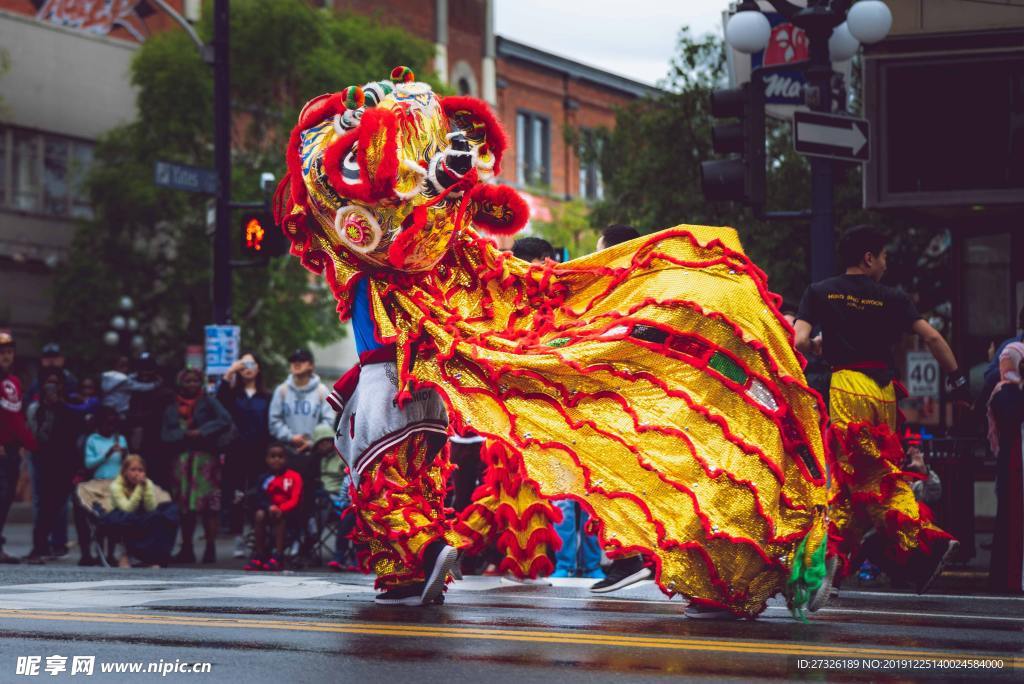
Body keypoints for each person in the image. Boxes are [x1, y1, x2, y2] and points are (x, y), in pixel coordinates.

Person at [275, 70, 832, 619]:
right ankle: (415, 566)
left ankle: (417, 558)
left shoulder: (390, 263)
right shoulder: (432, 260)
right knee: (408, 475)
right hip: (429, 388)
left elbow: (336, 231)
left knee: (383, 477)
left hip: (390, 382)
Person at [794, 225, 964, 594]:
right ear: (868, 258)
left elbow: (800, 339)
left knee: (856, 475)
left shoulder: (819, 292)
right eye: (884, 257)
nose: (886, 265)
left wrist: (818, 350)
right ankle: (839, 563)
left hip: (848, 387)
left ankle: (920, 543)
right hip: (884, 394)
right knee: (871, 473)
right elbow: (933, 337)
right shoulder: (894, 298)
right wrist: (958, 382)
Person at [161, 368, 232, 564]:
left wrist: (201, 432)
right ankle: (186, 548)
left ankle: (210, 548)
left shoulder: (209, 401)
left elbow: (224, 420)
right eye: (188, 381)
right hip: (182, 461)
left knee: (209, 506)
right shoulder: (172, 406)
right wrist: (183, 435)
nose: (192, 385)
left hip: (205, 460)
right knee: (184, 507)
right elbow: (165, 433)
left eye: (195, 381)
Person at [217, 352, 271, 557]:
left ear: (258, 368)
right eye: (244, 364)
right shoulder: (233, 395)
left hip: (260, 452)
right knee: (237, 495)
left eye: (252, 363)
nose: (248, 367)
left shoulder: (266, 396)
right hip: (236, 451)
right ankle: (239, 537)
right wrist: (230, 371)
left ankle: (256, 537)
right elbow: (219, 400)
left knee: (258, 494)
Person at [25, 372, 83, 564]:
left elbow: (75, 436)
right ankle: (39, 547)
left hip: (66, 465)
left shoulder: (68, 408)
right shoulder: (39, 410)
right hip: (46, 463)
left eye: (55, 384)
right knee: (45, 507)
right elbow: (37, 436)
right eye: (48, 384)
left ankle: (55, 545)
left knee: (57, 507)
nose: (52, 388)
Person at [987, 342, 1024, 593]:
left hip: (1010, 461)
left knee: (1009, 516)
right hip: (1015, 460)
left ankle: (1005, 578)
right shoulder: (1010, 394)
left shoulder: (1000, 393)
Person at [0, 332, 37, 564]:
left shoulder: (13, 381)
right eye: (2, 352)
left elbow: (17, 417)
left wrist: (28, 445)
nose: (6, 356)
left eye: (9, 352)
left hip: (13, 449)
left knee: (6, 497)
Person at [76, 405, 128, 565]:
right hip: (98, 484)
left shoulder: (121, 439)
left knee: (113, 520)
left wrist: (125, 454)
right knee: (99, 519)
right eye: (107, 424)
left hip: (116, 484)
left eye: (113, 424)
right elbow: (89, 463)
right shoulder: (92, 439)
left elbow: (129, 463)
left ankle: (110, 553)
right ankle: (93, 553)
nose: (110, 428)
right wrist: (107, 454)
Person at [107, 455, 178, 568]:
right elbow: (127, 508)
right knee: (128, 519)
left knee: (162, 516)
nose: (137, 473)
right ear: (125, 471)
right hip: (121, 518)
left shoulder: (147, 483)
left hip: (140, 515)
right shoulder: (116, 486)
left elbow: (151, 507)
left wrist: (146, 488)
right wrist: (139, 489)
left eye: (140, 470)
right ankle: (125, 555)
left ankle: (153, 557)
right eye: (133, 470)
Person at [244, 442, 303, 572]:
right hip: (268, 511)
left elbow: (295, 499)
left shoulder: (294, 477)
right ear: (267, 459)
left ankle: (278, 556)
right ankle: (259, 555)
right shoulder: (264, 478)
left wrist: (281, 509)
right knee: (259, 514)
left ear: (286, 459)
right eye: (273, 456)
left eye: (280, 456)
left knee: (279, 517)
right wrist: (270, 507)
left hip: (288, 513)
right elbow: (259, 497)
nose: (277, 459)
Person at [268, 349, 334, 456]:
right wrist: (291, 437)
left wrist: (312, 442)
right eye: (293, 360)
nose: (296, 363)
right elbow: (274, 421)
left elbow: (328, 422)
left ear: (311, 366)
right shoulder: (281, 390)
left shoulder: (322, 391)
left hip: (315, 453)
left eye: (302, 360)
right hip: (286, 453)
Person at [312, 424, 355, 571]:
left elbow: (348, 479)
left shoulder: (341, 457)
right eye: (320, 443)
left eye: (327, 441)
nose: (324, 445)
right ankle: (309, 540)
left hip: (338, 494)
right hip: (323, 494)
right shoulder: (320, 459)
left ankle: (348, 557)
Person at [102, 355, 160, 420]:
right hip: (119, 411)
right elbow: (141, 387)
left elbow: (129, 379)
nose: (126, 368)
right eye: (122, 366)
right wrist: (156, 384)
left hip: (107, 407)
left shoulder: (107, 377)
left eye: (127, 365)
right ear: (115, 366)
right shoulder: (123, 381)